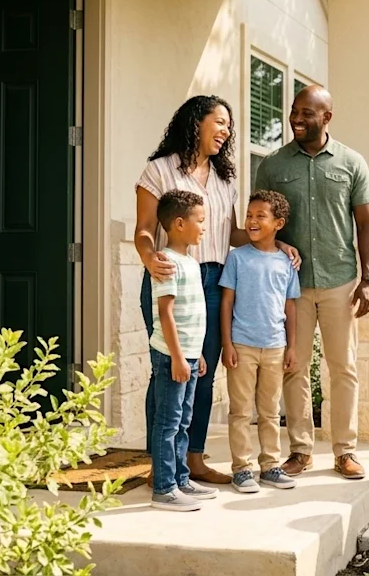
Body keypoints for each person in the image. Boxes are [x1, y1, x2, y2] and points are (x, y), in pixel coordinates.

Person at [135, 95, 300, 486]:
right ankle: (159, 463)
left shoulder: (225, 178)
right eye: (220, 122)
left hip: (215, 279)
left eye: (229, 125)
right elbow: (143, 229)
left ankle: (192, 459)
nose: (227, 131)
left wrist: (278, 245)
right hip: (171, 277)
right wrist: (147, 257)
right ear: (196, 122)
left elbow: (231, 235)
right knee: (169, 370)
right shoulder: (158, 171)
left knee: (202, 375)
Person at [253, 84, 369, 481]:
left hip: (340, 278)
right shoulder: (272, 165)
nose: (297, 119)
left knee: (343, 367)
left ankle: (345, 451)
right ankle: (301, 450)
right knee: (294, 366)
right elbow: (261, 221)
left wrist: (368, 278)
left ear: (327, 117)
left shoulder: (352, 162)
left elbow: (366, 223)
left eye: (307, 113)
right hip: (291, 286)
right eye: (294, 111)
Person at [220, 190, 301, 493]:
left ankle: (270, 466)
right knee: (240, 411)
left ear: (278, 223)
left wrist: (291, 346)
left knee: (269, 411)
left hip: (275, 346)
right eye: (249, 216)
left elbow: (290, 306)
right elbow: (227, 302)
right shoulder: (237, 258)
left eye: (260, 216)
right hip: (242, 345)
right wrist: (227, 344)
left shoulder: (286, 263)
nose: (252, 221)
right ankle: (241, 468)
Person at [147, 190, 218, 511]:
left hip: (188, 354)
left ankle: (179, 477)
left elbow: (193, 316)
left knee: (183, 419)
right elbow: (166, 313)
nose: (204, 227)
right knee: (168, 421)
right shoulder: (166, 263)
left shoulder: (190, 261)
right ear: (178, 224)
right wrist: (177, 356)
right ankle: (163, 488)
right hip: (171, 356)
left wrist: (197, 354)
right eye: (200, 221)